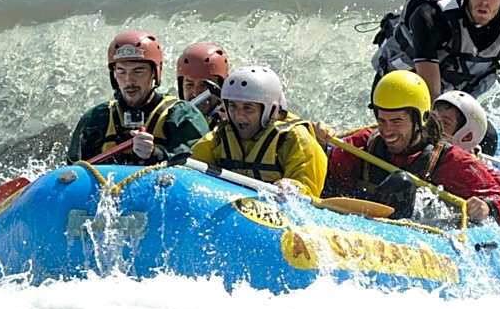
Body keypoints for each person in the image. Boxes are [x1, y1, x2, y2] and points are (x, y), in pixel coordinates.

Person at [321, 70, 500, 223]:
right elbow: (329, 180)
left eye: (397, 121)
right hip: (354, 220)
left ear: (421, 120)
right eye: (382, 120)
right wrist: (320, 142)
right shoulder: (364, 143)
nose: (387, 131)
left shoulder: (451, 161)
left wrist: (488, 207)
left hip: (410, 233)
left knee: (402, 183)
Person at [370, 0, 500, 153]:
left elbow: (467, 89)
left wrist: (466, 139)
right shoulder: (429, 15)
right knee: (415, 136)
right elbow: (429, 91)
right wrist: (438, 139)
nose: (485, 1)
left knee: (488, 138)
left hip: (446, 93)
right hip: (399, 90)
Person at [67, 30, 209, 165]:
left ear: (154, 73)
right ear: (114, 75)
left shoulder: (182, 115)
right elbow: (74, 169)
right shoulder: (96, 118)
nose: (129, 81)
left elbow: (196, 167)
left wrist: (156, 154)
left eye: (138, 71)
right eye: (121, 72)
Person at [190, 66, 327, 197]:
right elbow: (190, 169)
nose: (238, 116)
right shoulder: (218, 137)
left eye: (248, 108)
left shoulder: (295, 139)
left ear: (270, 110)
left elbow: (308, 195)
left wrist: (293, 187)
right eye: (233, 106)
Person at [177, 41, 230, 129]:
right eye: (189, 84)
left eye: (205, 85)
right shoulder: (170, 121)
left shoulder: (235, 125)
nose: (196, 92)